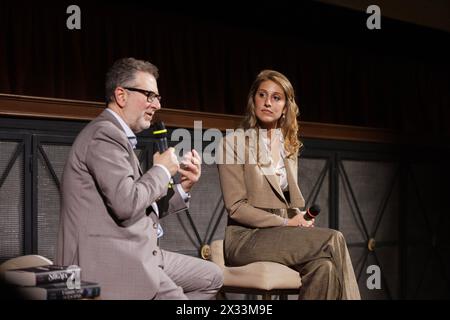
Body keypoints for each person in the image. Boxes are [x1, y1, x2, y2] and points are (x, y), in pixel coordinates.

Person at [56, 57, 223, 300]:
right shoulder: (104, 135)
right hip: (109, 261)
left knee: (212, 277)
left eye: (157, 98)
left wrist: (183, 186)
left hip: (137, 251)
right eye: (149, 95)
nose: (156, 105)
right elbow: (126, 204)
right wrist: (162, 170)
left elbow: (140, 207)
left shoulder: (117, 137)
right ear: (121, 95)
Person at [217, 70, 360, 299]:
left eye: (276, 97)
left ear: (285, 107)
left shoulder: (288, 148)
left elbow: (286, 200)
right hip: (245, 239)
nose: (267, 102)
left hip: (281, 234)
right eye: (262, 95)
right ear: (253, 100)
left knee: (325, 268)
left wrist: (299, 218)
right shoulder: (232, 143)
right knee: (334, 238)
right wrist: (286, 221)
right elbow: (236, 207)